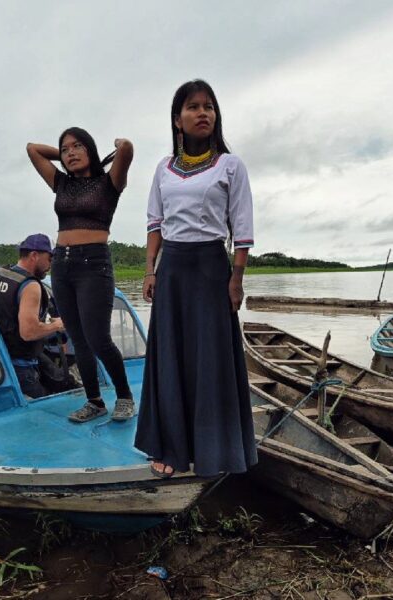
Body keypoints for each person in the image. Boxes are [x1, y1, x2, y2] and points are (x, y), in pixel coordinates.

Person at [134, 79, 258, 478]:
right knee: (170, 358)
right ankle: (172, 448)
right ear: (177, 119)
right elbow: (155, 222)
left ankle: (215, 452)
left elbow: (242, 227)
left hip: (210, 269)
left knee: (211, 359)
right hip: (172, 270)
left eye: (208, 106)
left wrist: (236, 279)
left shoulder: (230, 166)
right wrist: (150, 270)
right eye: (193, 107)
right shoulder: (163, 169)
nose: (202, 113)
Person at [27, 129, 135, 423]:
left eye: (77, 147)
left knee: (98, 338)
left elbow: (126, 149)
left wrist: (116, 145)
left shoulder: (109, 183)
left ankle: (124, 396)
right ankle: (94, 402)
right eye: (65, 149)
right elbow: (33, 149)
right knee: (78, 338)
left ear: (90, 149)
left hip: (94, 264)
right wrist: (63, 158)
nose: (70, 153)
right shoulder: (61, 182)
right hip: (62, 265)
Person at [0, 234, 69, 398]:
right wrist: (58, 325)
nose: (51, 264)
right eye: (50, 258)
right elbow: (29, 332)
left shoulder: (1, 274)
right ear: (34, 255)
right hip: (19, 366)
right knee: (46, 407)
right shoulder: (31, 286)